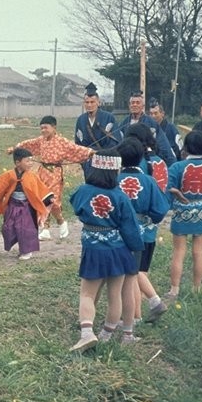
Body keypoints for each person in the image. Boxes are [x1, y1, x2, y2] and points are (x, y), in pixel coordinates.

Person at [68, 149, 144, 352]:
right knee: (115, 294)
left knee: (87, 293)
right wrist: (136, 247)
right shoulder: (120, 196)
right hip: (118, 249)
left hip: (94, 249)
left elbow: (74, 205)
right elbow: (130, 227)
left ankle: (86, 333)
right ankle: (107, 333)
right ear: (115, 171)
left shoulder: (83, 191)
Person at [114, 138, 169, 333]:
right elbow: (160, 209)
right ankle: (139, 312)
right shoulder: (148, 181)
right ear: (141, 157)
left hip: (119, 233)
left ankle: (134, 315)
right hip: (143, 232)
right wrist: (148, 218)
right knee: (135, 272)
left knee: (127, 276)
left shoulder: (114, 181)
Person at [9, 115, 93, 240]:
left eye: (46, 128)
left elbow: (76, 149)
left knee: (53, 201)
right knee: (42, 199)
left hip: (55, 173)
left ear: (54, 127)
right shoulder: (41, 140)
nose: (43, 131)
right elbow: (28, 145)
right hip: (42, 173)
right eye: (41, 128)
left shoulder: (62, 141)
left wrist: (90, 152)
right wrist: (15, 149)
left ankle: (61, 221)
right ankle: (45, 229)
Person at [166, 131, 202, 300]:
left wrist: (178, 194)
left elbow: (168, 186)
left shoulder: (177, 167)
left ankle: (174, 289)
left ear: (186, 147)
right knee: (199, 251)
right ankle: (197, 288)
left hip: (182, 209)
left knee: (179, 251)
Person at [0, 148, 53, 260]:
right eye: (27, 161)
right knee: (9, 227)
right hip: (12, 205)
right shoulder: (9, 175)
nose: (30, 163)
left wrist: (48, 198)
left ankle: (26, 251)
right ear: (17, 162)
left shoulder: (32, 176)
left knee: (25, 228)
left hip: (27, 207)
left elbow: (40, 189)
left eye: (31, 160)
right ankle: (21, 246)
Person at [74, 82, 121, 179]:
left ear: (98, 102)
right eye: (87, 102)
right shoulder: (81, 120)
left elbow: (115, 141)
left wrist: (100, 153)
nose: (89, 105)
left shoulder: (109, 118)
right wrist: (86, 156)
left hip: (106, 161)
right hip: (88, 161)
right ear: (84, 103)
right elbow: (78, 143)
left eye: (92, 102)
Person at [116, 92, 176, 165]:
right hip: (127, 160)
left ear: (143, 106)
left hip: (146, 160)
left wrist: (170, 162)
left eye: (138, 103)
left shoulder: (152, 124)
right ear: (129, 105)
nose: (134, 105)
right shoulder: (124, 123)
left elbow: (163, 144)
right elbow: (119, 143)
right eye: (132, 103)